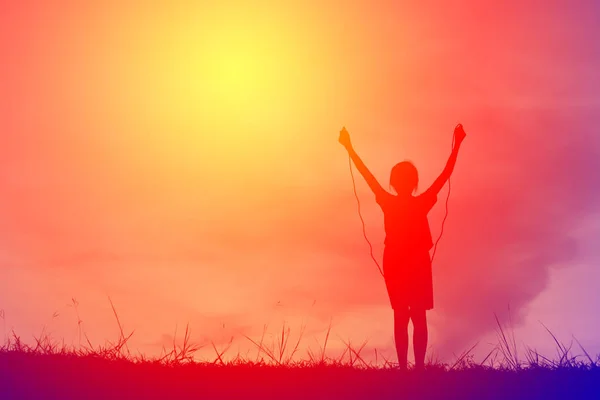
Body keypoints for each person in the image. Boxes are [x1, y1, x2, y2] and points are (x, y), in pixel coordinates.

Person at [338, 124, 466, 370]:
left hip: (398, 261)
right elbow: (444, 175)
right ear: (414, 182)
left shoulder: (388, 201)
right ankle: (415, 370)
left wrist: (349, 148)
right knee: (418, 316)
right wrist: (458, 144)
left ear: (393, 183)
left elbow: (368, 176)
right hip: (414, 262)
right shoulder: (420, 202)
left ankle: (406, 370)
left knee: (402, 315)